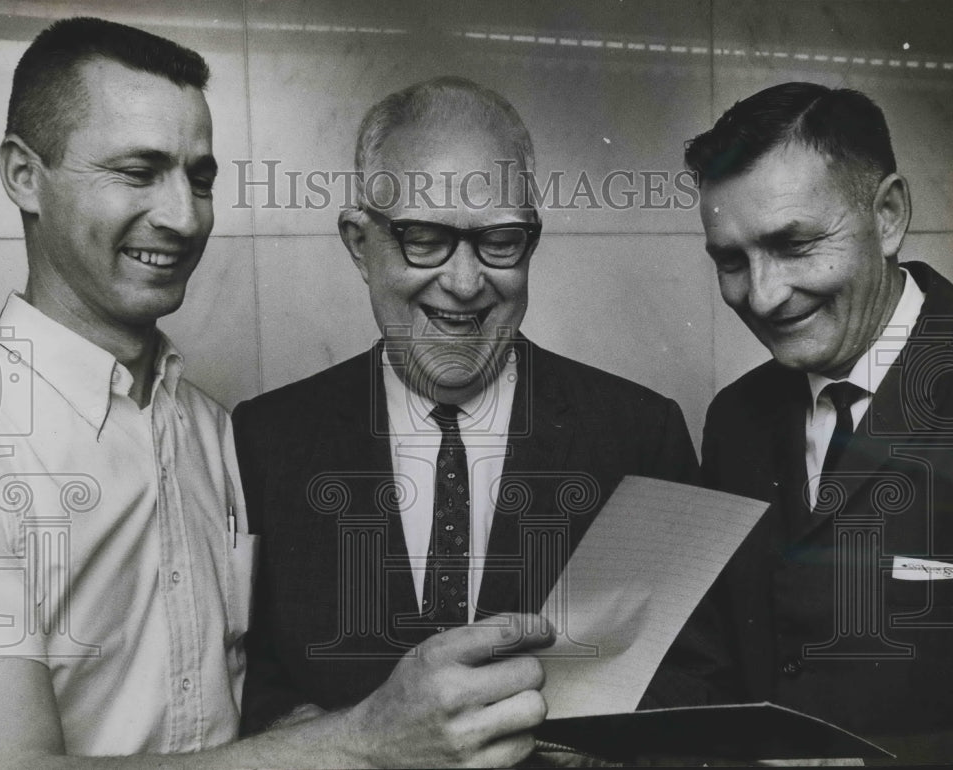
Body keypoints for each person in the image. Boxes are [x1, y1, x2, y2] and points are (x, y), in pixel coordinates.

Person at [0, 19, 554, 769]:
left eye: (199, 178)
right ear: (21, 174)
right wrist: (363, 741)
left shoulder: (217, 434)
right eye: (138, 172)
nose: (183, 216)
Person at [233, 76, 721, 744]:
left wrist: (594, 745)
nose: (465, 284)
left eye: (499, 241)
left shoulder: (639, 435)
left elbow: (697, 677)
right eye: (423, 238)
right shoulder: (266, 441)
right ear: (357, 242)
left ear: (532, 242)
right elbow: (242, 679)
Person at [685, 81, 953, 762]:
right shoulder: (734, 422)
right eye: (732, 261)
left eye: (795, 243)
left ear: (888, 215)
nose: (765, 295)